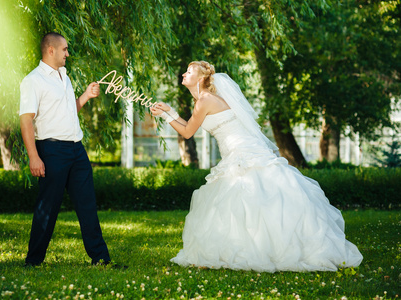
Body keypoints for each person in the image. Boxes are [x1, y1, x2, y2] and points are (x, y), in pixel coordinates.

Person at [150, 61, 363, 272]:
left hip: (241, 153)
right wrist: (168, 112)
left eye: (189, 71)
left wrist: (167, 114)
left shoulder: (204, 100)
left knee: (244, 197)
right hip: (243, 150)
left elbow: (187, 132)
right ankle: (268, 247)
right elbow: (189, 127)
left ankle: (257, 251)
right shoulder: (209, 98)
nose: (184, 74)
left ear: (202, 78)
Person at [20, 32, 122, 268]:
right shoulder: (33, 80)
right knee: (48, 207)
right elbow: (26, 120)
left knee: (87, 204)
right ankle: (33, 261)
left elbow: (66, 112)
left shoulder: (64, 76)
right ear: (51, 50)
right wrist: (34, 156)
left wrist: (85, 96)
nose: (68, 53)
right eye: (65, 49)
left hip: (76, 150)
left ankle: (101, 259)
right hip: (52, 150)